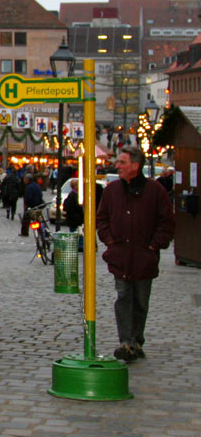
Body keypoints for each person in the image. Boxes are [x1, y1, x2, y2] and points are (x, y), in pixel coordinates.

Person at [96, 146, 175, 363]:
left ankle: (137, 340)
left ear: (135, 166)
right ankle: (126, 342)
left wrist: (154, 245)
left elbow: (166, 222)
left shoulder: (155, 190)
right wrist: (109, 240)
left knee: (140, 301)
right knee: (123, 298)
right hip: (120, 256)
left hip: (144, 258)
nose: (117, 166)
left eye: (122, 162)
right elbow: (101, 219)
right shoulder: (112, 191)